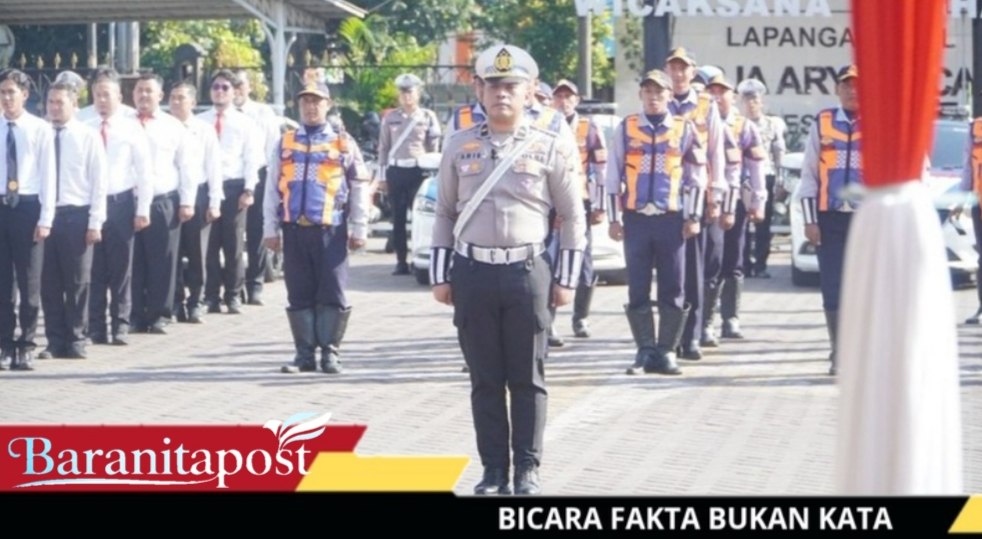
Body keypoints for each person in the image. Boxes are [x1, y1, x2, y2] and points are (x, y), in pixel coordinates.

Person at [431, 44, 586, 495]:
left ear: (529, 92)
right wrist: (441, 275)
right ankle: (494, 471)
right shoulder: (459, 145)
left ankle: (527, 470)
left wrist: (566, 279)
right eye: (494, 85)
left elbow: (572, 216)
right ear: (480, 90)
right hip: (473, 272)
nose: (502, 93)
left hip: (527, 273)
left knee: (527, 378)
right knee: (484, 380)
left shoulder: (547, 145)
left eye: (511, 86)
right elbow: (444, 211)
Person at [605, 68, 707, 376]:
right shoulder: (627, 127)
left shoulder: (683, 128)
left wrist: (693, 215)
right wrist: (613, 218)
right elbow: (613, 173)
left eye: (659, 92)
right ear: (641, 95)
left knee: (673, 286)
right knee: (637, 286)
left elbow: (696, 176)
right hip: (636, 218)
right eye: (648, 91)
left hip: (671, 219)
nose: (653, 97)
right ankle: (645, 350)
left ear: (669, 95)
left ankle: (667, 350)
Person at [264, 82, 371, 375]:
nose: (311, 107)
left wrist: (360, 228)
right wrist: (269, 228)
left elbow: (359, 186)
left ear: (328, 104)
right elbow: (272, 188)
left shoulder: (342, 143)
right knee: (298, 291)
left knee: (332, 290)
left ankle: (330, 353)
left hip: (330, 230)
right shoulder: (285, 142)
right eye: (306, 102)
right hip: (294, 229)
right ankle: (304, 354)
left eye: (317, 101)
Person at [799, 65, 862, 376]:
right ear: (837, 89)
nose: (852, 90)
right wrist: (810, 221)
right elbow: (809, 174)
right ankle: (840, 352)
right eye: (846, 85)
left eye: (858, 85)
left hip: (866, 220)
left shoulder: (879, 121)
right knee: (833, 287)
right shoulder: (823, 121)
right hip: (830, 219)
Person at [664, 49, 726, 361]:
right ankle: (670, 337)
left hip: (696, 196)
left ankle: (692, 336)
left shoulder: (706, 105)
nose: (678, 74)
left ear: (692, 72)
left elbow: (716, 152)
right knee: (670, 272)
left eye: (683, 69)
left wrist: (716, 195)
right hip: (665, 198)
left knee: (694, 269)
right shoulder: (658, 100)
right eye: (673, 69)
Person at [38, 82, 107, 360]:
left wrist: (95, 221)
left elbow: (99, 181)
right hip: (44, 216)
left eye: (60, 102)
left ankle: (77, 338)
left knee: (78, 281)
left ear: (74, 104)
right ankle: (54, 341)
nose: (54, 108)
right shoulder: (40, 133)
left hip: (76, 215)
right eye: (51, 102)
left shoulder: (87, 135)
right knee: (49, 282)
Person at [85, 67, 152, 346]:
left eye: (107, 95)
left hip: (121, 203)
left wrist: (143, 209)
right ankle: (96, 327)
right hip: (90, 206)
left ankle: (121, 325)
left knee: (121, 269)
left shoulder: (130, 127)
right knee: (94, 270)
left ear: (119, 97)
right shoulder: (84, 125)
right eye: (97, 95)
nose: (102, 100)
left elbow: (144, 171)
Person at [702, 74, 766, 342]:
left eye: (722, 92)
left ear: (733, 97)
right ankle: (706, 321)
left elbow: (757, 166)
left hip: (736, 200)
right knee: (711, 259)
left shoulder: (744, 126)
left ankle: (730, 318)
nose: (717, 97)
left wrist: (758, 202)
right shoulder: (699, 123)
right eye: (712, 92)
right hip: (708, 201)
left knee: (734, 258)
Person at [130, 73, 195, 334]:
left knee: (163, 260)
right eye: (139, 91)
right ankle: (135, 315)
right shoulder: (123, 124)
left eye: (149, 91)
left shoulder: (172, 126)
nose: (144, 96)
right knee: (133, 261)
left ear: (160, 96)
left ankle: (160, 314)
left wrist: (187, 201)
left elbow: (187, 166)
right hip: (129, 201)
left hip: (162, 200)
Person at [0, 68, 56, 371]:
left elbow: (48, 175)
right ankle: (5, 343)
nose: (6, 98)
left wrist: (46, 218)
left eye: (11, 92)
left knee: (29, 281)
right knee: (2, 284)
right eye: (2, 92)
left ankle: (27, 344)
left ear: (24, 94)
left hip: (28, 207)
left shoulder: (39, 129)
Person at [199, 70, 261, 314]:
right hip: (207, 188)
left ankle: (233, 295)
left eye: (225, 87)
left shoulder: (245, 123)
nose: (220, 91)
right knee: (209, 246)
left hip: (234, 187)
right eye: (216, 87)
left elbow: (252, 158)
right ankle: (211, 296)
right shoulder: (200, 121)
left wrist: (249, 189)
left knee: (233, 245)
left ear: (235, 92)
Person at [551, 78, 607, 339]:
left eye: (568, 97)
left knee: (584, 260)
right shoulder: (546, 125)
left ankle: (580, 317)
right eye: (559, 96)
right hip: (551, 202)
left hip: (580, 201)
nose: (563, 101)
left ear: (577, 100)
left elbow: (601, 168)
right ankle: (548, 320)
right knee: (549, 259)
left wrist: (600, 204)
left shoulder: (588, 127)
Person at [168, 82, 223, 324]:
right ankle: (175, 302)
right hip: (170, 196)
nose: (176, 102)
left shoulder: (203, 130)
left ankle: (196, 302)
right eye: (172, 97)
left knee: (197, 252)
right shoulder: (163, 126)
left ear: (192, 102)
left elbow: (214, 166)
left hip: (199, 195)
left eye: (181, 98)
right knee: (172, 253)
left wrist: (214, 201)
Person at [377, 73, 441, 276]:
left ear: (418, 94)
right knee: (398, 218)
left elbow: (433, 148)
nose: (406, 97)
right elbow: (383, 148)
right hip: (396, 171)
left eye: (410, 92)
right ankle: (400, 261)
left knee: (420, 217)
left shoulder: (427, 117)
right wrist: (382, 177)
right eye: (403, 93)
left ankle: (419, 258)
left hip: (418, 171)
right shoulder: (390, 118)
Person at [233, 70, 280, 306]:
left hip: (260, 176)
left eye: (240, 84)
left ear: (249, 86)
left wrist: (271, 182)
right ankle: (234, 286)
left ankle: (255, 285)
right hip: (232, 177)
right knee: (231, 236)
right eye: (231, 85)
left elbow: (273, 149)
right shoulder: (221, 115)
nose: (236, 90)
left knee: (256, 232)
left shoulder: (262, 113)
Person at [737, 79, 787, 279]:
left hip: (766, 175)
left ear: (762, 102)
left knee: (762, 223)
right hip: (742, 178)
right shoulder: (738, 124)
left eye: (755, 100)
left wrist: (781, 181)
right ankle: (743, 264)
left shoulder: (773, 124)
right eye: (747, 100)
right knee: (741, 223)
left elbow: (779, 153)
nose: (751, 104)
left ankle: (761, 265)